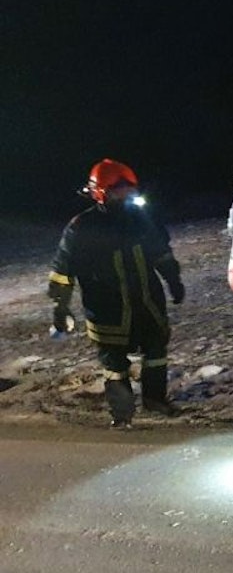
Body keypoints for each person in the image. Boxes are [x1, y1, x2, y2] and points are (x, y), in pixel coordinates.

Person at [47, 159, 185, 428]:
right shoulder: (82, 227)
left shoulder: (143, 220)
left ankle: (155, 399)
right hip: (107, 309)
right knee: (114, 362)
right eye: (118, 190)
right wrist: (60, 307)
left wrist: (173, 280)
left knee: (156, 351)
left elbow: (161, 252)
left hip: (147, 302)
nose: (126, 196)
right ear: (101, 192)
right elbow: (63, 270)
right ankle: (122, 414)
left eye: (129, 190)